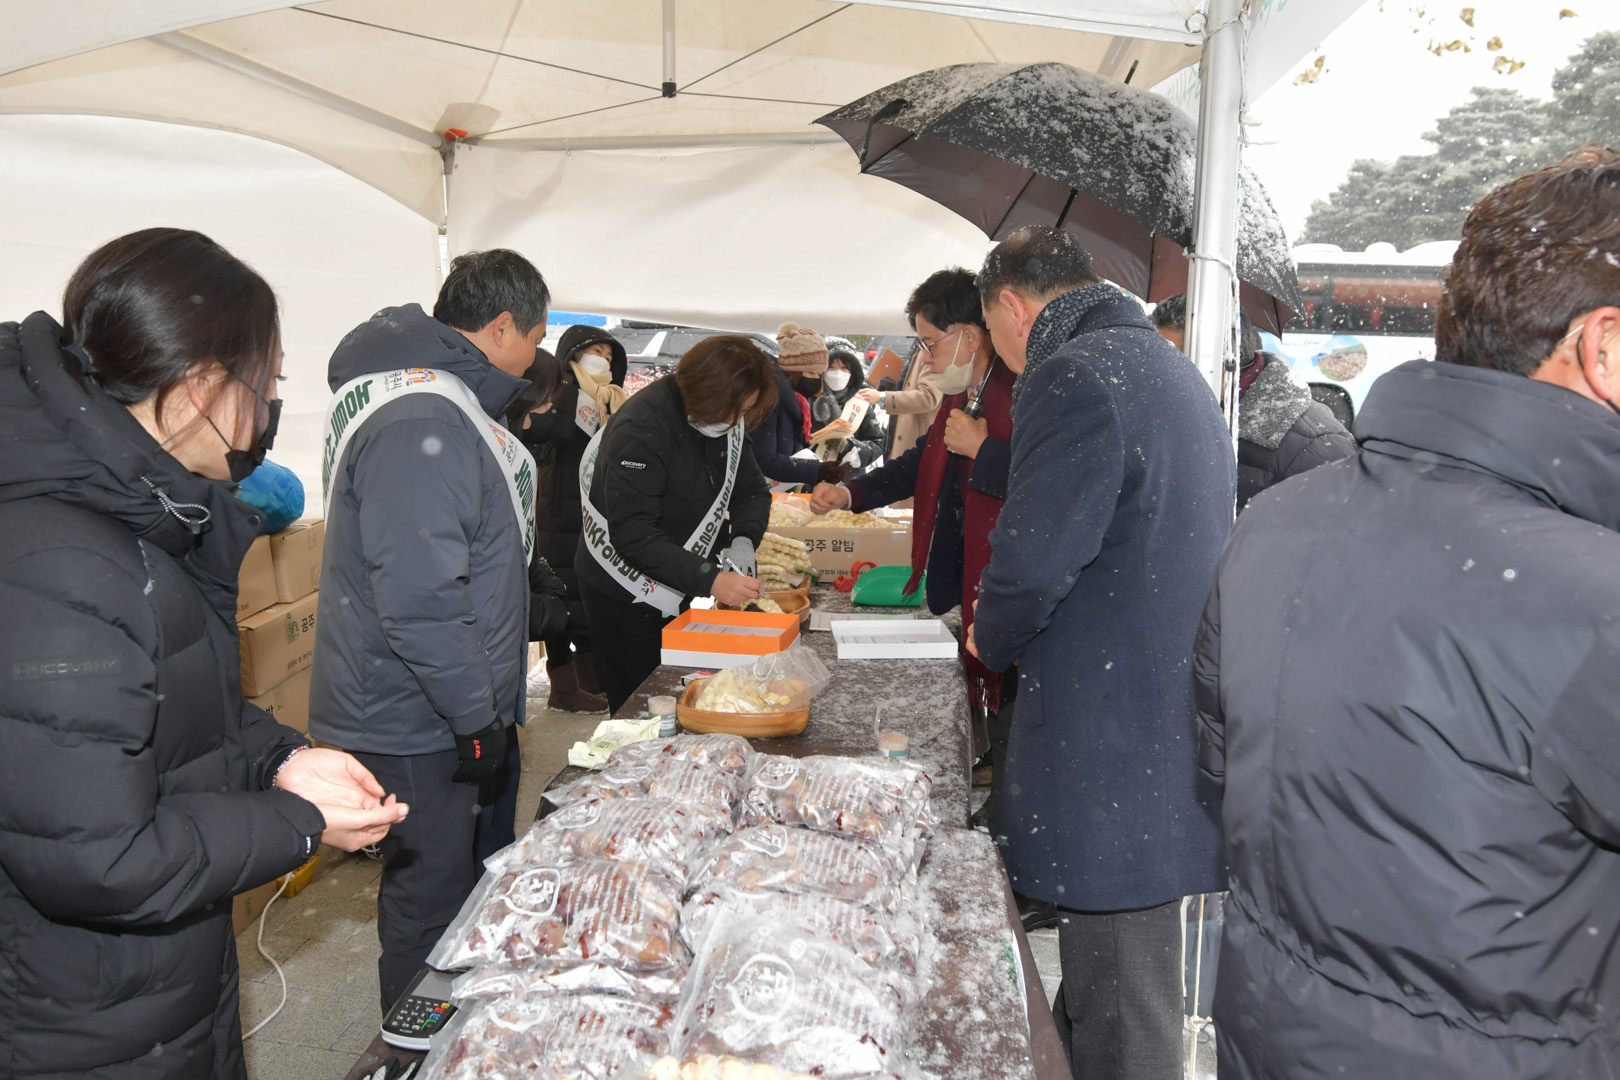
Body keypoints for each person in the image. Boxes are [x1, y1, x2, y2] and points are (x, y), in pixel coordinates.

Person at [1195, 148, 1620, 1080]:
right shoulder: (1592, 594)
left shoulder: (1275, 523)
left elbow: (1230, 782)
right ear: (1604, 347)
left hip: (1281, 1035)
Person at [0, 228, 406, 1079]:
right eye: (267, 386)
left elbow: (160, 713)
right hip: (79, 1024)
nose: (269, 412)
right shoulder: (60, 565)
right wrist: (300, 823)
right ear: (198, 387)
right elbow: (100, 857)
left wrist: (283, 760)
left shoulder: (137, 512)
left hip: (152, 988)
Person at [965, 227, 1234, 1080]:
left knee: (1121, 1000)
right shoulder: (1159, 363)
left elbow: (1036, 554)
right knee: (1108, 984)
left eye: (994, 334)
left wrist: (988, 630)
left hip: (1115, 733)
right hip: (1158, 716)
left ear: (1014, 307)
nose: (1004, 356)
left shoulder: (1075, 373)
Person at [311, 248, 548, 1012]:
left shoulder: (442, 402)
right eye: (535, 338)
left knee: (460, 885)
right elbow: (419, 597)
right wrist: (474, 716)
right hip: (415, 712)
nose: (533, 358)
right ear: (503, 326)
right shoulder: (422, 414)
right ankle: (414, 1046)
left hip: (437, 700)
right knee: (430, 902)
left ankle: (459, 1032)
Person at [811, 267, 1014, 774]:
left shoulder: (1020, 392)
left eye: (930, 343)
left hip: (1005, 579)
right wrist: (850, 493)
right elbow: (920, 463)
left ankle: (1003, 775)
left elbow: (1050, 482)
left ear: (970, 336)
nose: (926, 358)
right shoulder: (961, 393)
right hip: (965, 570)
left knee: (1009, 706)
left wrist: (984, 450)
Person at [576, 336, 777, 712]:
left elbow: (752, 491)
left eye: (744, 411)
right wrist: (710, 579)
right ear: (705, 392)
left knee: (677, 693)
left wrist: (743, 539)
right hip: (623, 587)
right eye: (729, 410)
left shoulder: (721, 417)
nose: (733, 422)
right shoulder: (642, 428)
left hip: (678, 574)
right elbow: (634, 533)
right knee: (642, 705)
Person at [1155, 296, 1355, 509]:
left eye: (1169, 363)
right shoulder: (1174, 415)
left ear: (1219, 363)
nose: (1156, 374)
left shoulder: (1318, 449)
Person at [518, 325, 628, 713]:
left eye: (610, 356)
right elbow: (552, 432)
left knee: (588, 593)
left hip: (594, 509)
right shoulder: (561, 392)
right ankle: (565, 686)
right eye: (597, 352)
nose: (604, 360)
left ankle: (589, 678)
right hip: (559, 509)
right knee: (562, 595)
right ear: (574, 354)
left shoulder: (612, 398)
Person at [751, 322, 849, 490]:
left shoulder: (796, 399)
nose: (816, 379)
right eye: (811, 372)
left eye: (819, 374)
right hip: (761, 491)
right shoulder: (770, 401)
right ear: (793, 371)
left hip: (780, 490)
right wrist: (817, 470)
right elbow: (764, 459)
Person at [857, 331, 942, 463]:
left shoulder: (930, 348)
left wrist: (882, 397)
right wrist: (890, 388)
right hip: (909, 437)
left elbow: (928, 397)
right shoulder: (920, 345)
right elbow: (913, 387)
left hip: (916, 441)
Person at [821, 340, 887, 467]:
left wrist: (849, 447)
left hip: (847, 476)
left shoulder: (860, 404)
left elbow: (877, 444)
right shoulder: (808, 401)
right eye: (831, 367)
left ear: (852, 372)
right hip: (811, 474)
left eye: (844, 368)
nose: (837, 373)